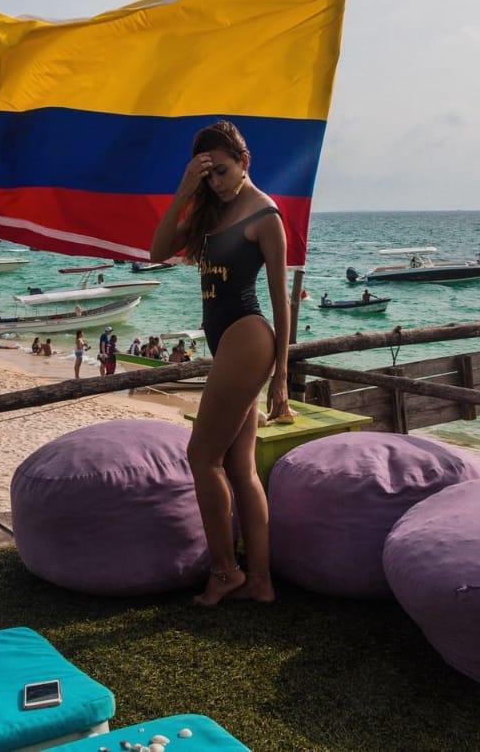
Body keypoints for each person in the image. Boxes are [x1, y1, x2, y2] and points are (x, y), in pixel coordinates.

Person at [148, 119, 286, 606]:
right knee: (238, 463)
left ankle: (226, 571)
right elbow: (158, 250)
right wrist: (185, 189)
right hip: (225, 341)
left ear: (244, 162)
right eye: (208, 175)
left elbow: (280, 301)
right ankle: (261, 582)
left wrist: (282, 380)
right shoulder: (209, 211)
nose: (217, 182)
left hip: (249, 337)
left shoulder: (264, 215)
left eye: (222, 172)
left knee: (200, 456)